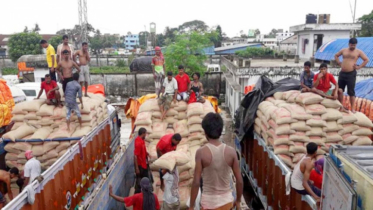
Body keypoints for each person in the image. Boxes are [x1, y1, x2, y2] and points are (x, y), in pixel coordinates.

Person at [189, 113, 243, 210]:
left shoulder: (201, 153)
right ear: (220, 130)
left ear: (205, 132)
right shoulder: (231, 152)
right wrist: (238, 201)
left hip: (208, 204)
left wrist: (192, 206)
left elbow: (196, 182)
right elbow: (239, 181)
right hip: (227, 203)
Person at [335, 38, 369, 113]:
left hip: (351, 73)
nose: (352, 46)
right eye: (351, 45)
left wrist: (359, 67)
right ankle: (340, 106)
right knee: (340, 90)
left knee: (351, 91)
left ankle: (353, 108)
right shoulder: (344, 50)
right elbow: (336, 55)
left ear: (356, 45)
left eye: (354, 45)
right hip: (342, 73)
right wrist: (339, 63)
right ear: (349, 44)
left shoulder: (358, 52)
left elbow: (366, 59)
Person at [134, 128, 150, 193]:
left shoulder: (142, 140)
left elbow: (143, 151)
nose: (146, 135)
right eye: (145, 133)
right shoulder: (138, 143)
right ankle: (138, 194)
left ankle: (143, 192)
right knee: (140, 180)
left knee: (144, 179)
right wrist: (137, 168)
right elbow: (135, 156)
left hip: (144, 164)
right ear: (143, 133)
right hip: (140, 165)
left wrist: (147, 155)